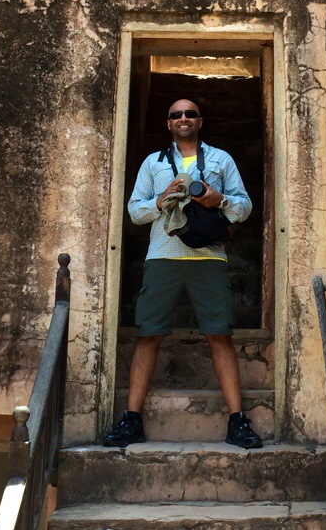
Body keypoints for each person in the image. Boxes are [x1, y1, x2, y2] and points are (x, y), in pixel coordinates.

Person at [102, 98, 263, 449]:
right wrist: (161, 200)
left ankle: (237, 422)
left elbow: (245, 207)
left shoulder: (221, 159)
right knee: (148, 334)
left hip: (210, 257)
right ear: (168, 123)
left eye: (190, 113)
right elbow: (135, 211)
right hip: (163, 256)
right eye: (176, 114)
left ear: (200, 121)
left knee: (220, 335)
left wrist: (219, 200)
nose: (183, 118)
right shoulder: (153, 162)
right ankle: (132, 420)